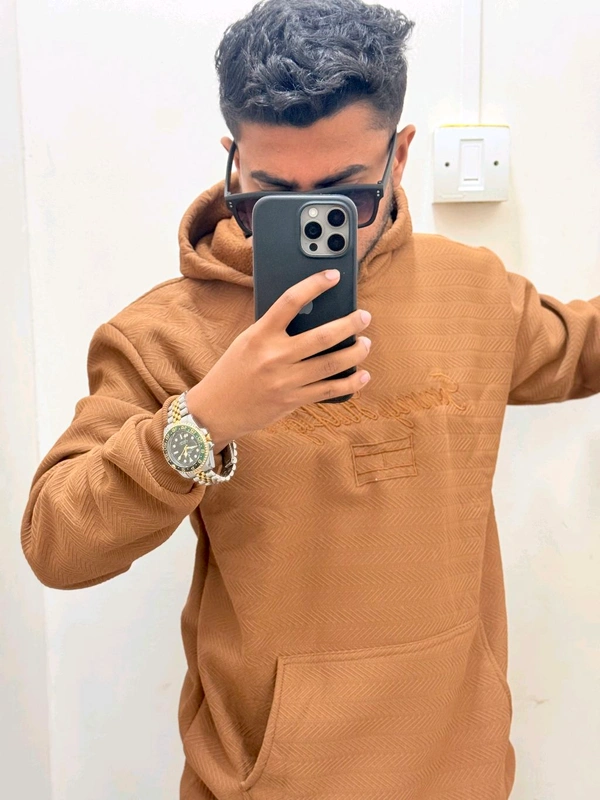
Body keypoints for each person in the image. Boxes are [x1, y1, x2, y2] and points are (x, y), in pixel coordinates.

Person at [21, 0, 599, 798]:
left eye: (342, 197)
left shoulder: (472, 289)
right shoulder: (164, 335)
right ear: (232, 162)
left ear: (399, 157)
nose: (306, 222)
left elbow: (579, 348)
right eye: (268, 197)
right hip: (266, 785)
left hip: (461, 774)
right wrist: (207, 419)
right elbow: (57, 543)